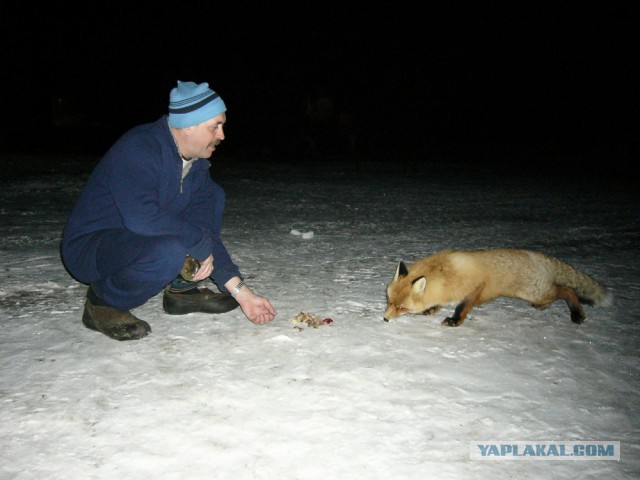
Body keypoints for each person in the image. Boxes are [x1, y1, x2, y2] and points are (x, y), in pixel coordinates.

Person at [61, 80, 277, 341]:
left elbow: (205, 235)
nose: (222, 136)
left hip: (135, 240)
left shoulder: (196, 168)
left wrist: (243, 292)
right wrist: (195, 240)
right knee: (170, 250)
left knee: (213, 198)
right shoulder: (139, 148)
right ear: (188, 127)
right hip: (91, 248)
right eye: (215, 126)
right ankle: (102, 302)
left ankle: (182, 290)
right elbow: (142, 218)